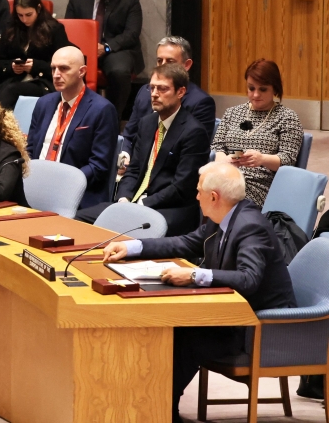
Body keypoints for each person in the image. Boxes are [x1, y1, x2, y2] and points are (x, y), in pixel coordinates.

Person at [102, 162, 296, 423]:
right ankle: (155, 406)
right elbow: (184, 242)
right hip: (231, 315)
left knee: (182, 337)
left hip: (259, 327)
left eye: (198, 192)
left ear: (214, 197)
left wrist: (194, 275)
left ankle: (162, 411)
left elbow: (249, 279)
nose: (196, 197)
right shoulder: (225, 217)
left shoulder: (250, 226)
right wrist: (132, 247)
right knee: (170, 329)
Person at [76, 64, 210, 236]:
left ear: (180, 92)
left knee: (126, 230)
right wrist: (124, 199)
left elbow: (181, 187)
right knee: (78, 219)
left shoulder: (193, 132)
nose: (154, 94)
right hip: (134, 203)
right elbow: (134, 170)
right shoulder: (147, 123)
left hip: (170, 209)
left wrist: (141, 204)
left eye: (162, 89)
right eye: (152, 88)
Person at [25, 46, 118, 209]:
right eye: (53, 68)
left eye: (64, 68)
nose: (56, 75)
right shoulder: (43, 103)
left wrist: (63, 184)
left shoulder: (102, 109)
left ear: (82, 71)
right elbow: (30, 150)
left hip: (77, 195)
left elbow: (98, 166)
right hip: (36, 189)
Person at [211, 59, 303, 205]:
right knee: (198, 189)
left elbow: (288, 159)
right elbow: (217, 147)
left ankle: (214, 227)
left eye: (263, 89)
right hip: (224, 177)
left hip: (259, 186)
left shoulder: (287, 117)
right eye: (251, 88)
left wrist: (262, 159)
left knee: (221, 196)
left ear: (275, 88)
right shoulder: (232, 113)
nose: (255, 95)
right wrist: (225, 160)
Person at [118, 36, 215, 172]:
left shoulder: (201, 102)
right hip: (134, 169)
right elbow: (129, 134)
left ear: (186, 65)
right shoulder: (145, 92)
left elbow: (192, 154)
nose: (163, 66)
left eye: (170, 61)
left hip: (168, 174)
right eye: (159, 61)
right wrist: (125, 157)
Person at [64, 0, 144, 113]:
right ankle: (74, 115)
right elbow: (70, 26)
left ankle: (112, 116)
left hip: (115, 50)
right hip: (84, 49)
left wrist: (106, 48)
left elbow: (132, 33)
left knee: (119, 71)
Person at [0, 0, 71, 107]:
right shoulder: (11, 29)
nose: (24, 19)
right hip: (14, 79)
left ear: (39, 8)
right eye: (20, 15)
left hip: (43, 82)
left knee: (12, 90)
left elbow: (64, 66)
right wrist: (11, 67)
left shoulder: (54, 29)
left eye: (28, 14)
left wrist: (36, 67)